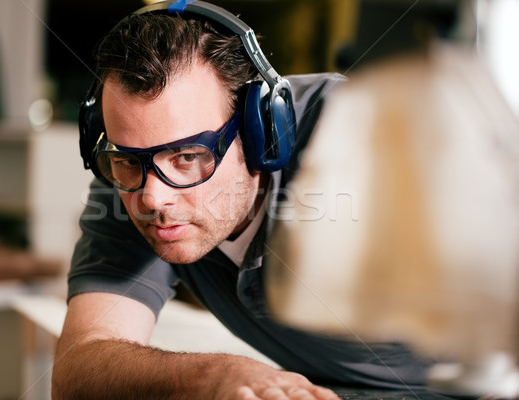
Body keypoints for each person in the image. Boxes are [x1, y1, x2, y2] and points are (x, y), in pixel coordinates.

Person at [52, 1, 432, 399]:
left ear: (260, 133)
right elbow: (77, 370)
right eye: (128, 160)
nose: (153, 199)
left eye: (187, 157)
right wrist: (212, 375)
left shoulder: (363, 134)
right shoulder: (126, 175)